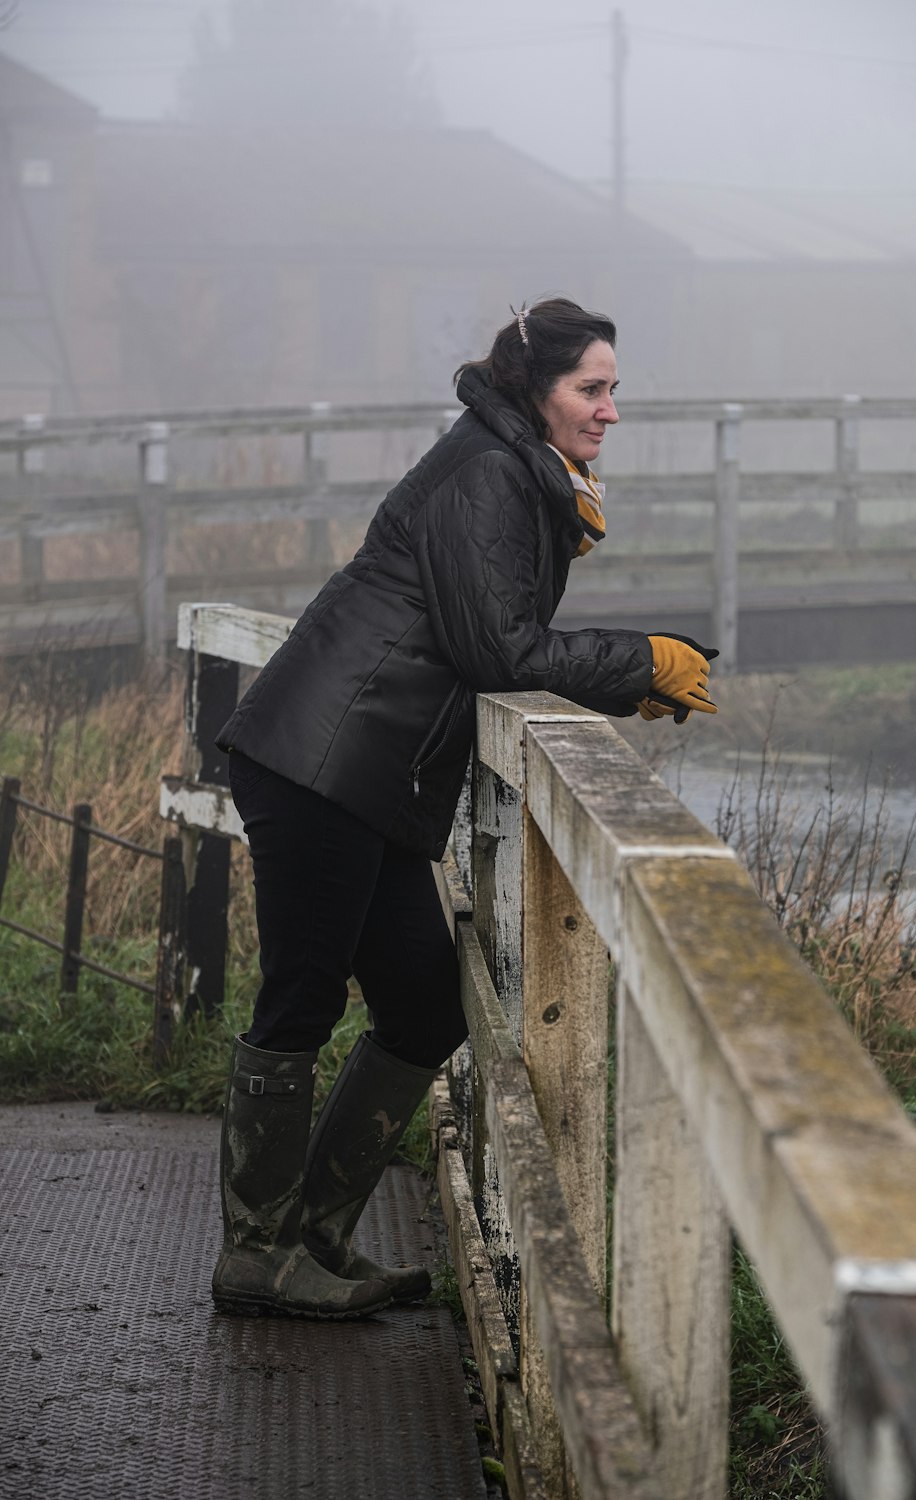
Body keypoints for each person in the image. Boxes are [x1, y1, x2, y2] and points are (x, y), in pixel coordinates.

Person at [211, 296, 718, 1320]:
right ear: (538, 390)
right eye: (592, 388)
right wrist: (642, 659)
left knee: (426, 1005)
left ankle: (312, 1232)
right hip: (325, 761)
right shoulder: (489, 474)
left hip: (373, 774)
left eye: (612, 389)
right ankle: (256, 1254)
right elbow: (501, 649)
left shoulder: (513, 470)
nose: (610, 410)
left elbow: (491, 635)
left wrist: (629, 674)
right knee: (299, 1001)